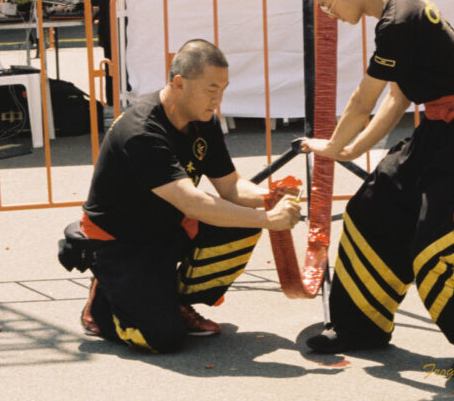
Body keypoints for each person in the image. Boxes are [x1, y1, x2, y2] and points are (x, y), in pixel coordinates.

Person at [294, 0, 454, 376]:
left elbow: (364, 101)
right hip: (438, 127)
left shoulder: (399, 19)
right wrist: (355, 150)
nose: (326, 14)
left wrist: (333, 147)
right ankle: (360, 326)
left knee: (433, 251)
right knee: (370, 210)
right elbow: (398, 98)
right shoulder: (401, 10)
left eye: (326, 3)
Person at [64, 38, 301, 353]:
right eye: (211, 90)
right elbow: (192, 201)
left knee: (243, 224)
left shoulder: (203, 120)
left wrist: (270, 197)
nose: (218, 99)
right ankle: (104, 301)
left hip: (165, 228)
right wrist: (269, 218)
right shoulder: (142, 131)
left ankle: (173, 300)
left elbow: (230, 186)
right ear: (178, 83)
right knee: (162, 339)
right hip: (120, 241)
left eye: (223, 90)